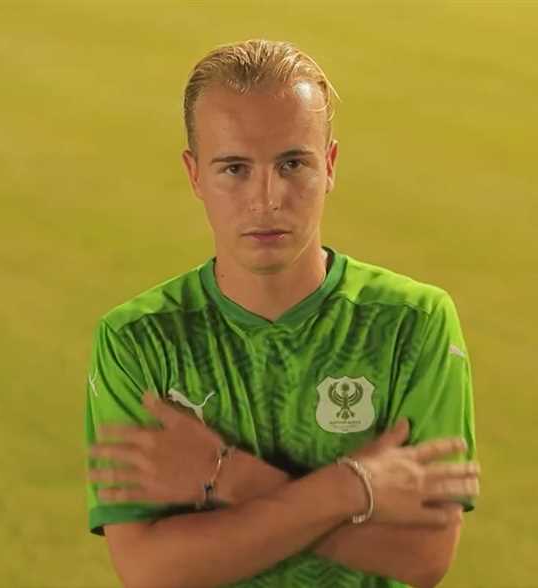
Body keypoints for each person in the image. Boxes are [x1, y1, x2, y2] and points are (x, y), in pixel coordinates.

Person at [84, 39, 479, 588]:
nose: (267, 198)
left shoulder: (412, 322)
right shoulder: (137, 339)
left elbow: (424, 557)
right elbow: (150, 570)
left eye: (292, 163)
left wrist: (228, 477)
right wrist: (353, 489)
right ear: (194, 174)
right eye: (234, 168)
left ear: (330, 165)